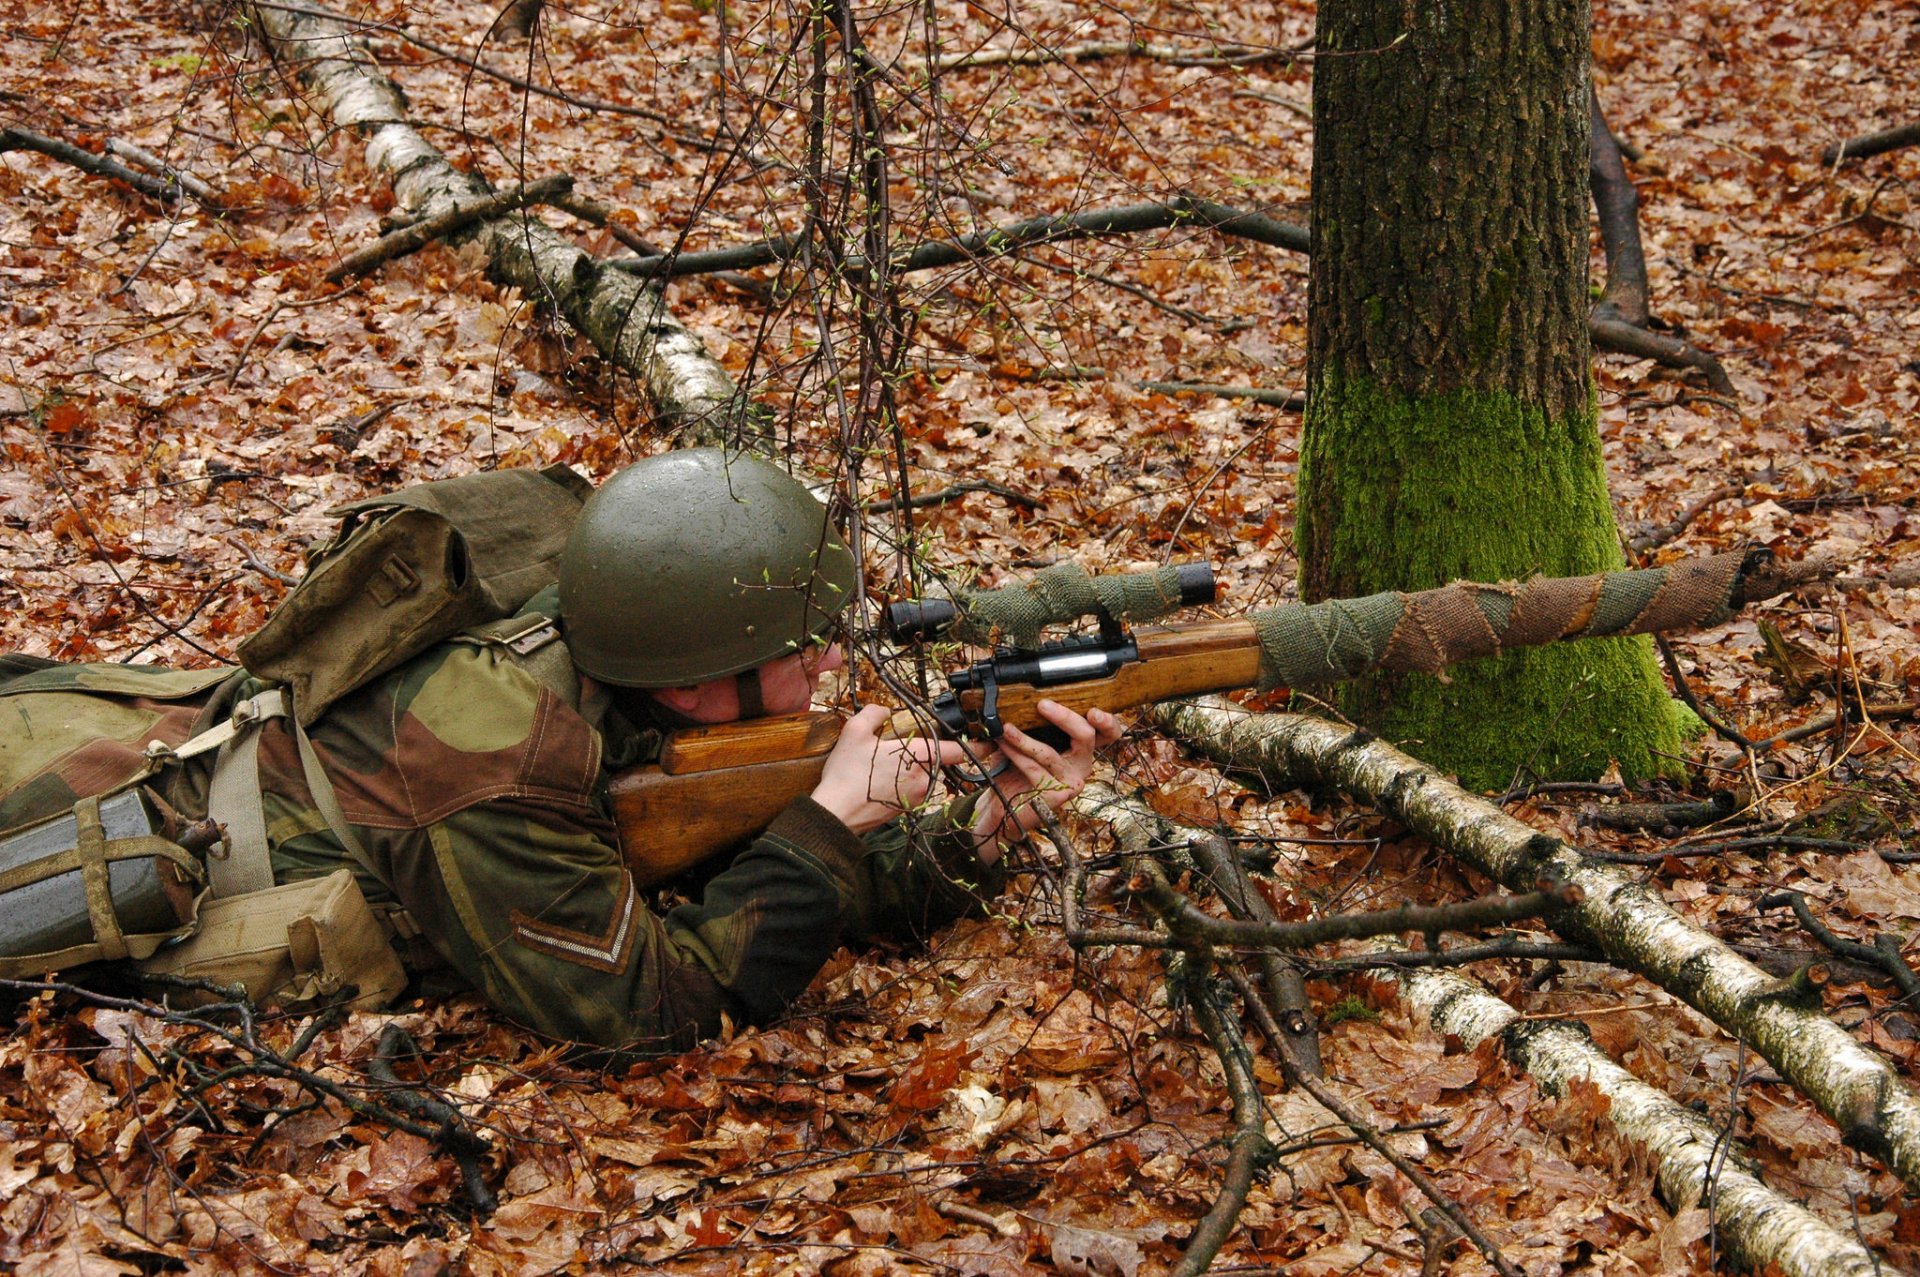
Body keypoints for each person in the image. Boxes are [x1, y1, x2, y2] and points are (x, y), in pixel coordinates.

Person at [0, 449, 1119, 1048]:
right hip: (72, 821)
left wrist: (970, 838)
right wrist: (824, 823)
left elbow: (701, 850)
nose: (834, 661)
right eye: (803, 644)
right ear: (690, 675)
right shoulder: (497, 760)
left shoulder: (616, 623)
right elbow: (652, 1013)